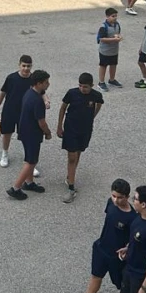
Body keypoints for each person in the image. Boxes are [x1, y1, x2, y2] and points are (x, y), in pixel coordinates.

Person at [65, 179, 136, 293]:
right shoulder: (110, 203)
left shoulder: (132, 217)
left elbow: (133, 240)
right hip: (101, 248)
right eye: (114, 196)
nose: (116, 200)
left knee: (122, 285)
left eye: (120, 197)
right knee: (96, 276)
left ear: (127, 197)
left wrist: (126, 251)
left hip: (116, 256)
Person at [56, 73, 104, 203]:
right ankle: (71, 187)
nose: (83, 89)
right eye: (81, 86)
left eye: (86, 87)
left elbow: (99, 104)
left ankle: (70, 176)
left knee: (78, 152)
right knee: (71, 156)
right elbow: (62, 108)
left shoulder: (96, 96)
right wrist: (59, 126)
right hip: (71, 128)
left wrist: (91, 117)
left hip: (85, 130)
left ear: (91, 86)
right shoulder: (71, 94)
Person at [7, 71, 51, 201]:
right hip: (32, 134)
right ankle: (15, 188)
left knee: (30, 158)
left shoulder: (29, 93)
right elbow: (41, 122)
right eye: (46, 82)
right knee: (31, 161)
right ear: (39, 83)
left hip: (25, 132)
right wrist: (48, 132)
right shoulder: (37, 101)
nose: (48, 84)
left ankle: (29, 182)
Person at [0, 56, 34, 169]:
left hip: (26, 113)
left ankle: (29, 161)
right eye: (23, 66)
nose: (26, 68)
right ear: (19, 65)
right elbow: (2, 94)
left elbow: (42, 92)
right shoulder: (11, 78)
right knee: (7, 133)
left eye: (28, 66)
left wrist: (46, 100)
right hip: (10, 110)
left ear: (31, 66)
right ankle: (4, 154)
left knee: (27, 136)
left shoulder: (33, 79)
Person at [97, 7, 123, 92]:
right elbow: (102, 39)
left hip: (114, 50)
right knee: (103, 66)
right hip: (105, 51)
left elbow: (118, 33)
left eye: (116, 16)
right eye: (113, 16)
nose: (115, 18)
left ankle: (112, 80)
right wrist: (114, 39)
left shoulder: (117, 24)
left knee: (113, 65)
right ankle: (101, 82)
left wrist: (119, 36)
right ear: (107, 17)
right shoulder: (103, 27)